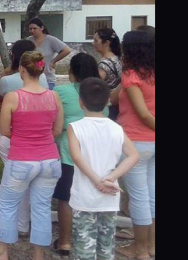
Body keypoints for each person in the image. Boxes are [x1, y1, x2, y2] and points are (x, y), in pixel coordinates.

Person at [0, 51, 64, 260]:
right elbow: (57, 130)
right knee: (42, 207)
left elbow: (5, 129)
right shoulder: (53, 96)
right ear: (41, 69)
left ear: (22, 70)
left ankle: (1, 252)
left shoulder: (13, 97)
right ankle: (38, 255)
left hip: (22, 159)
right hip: (50, 160)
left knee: (8, 204)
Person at [68, 77, 140, 260]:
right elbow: (133, 155)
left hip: (85, 196)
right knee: (106, 246)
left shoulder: (75, 127)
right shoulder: (116, 128)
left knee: (84, 247)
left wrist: (96, 180)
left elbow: (76, 157)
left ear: (80, 102)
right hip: (110, 196)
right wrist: (110, 178)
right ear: (108, 101)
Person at [0, 40, 49, 237]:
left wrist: (5, 74)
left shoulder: (8, 81)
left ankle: (17, 226)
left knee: (13, 185)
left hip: (12, 137)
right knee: (35, 188)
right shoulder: (45, 81)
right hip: (38, 137)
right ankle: (26, 226)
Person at [50, 53, 105, 256]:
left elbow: (56, 122)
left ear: (72, 71)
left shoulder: (61, 91)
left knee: (66, 198)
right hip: (97, 155)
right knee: (92, 196)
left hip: (68, 153)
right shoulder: (102, 91)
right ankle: (89, 239)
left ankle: (65, 242)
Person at [111, 30, 155, 260]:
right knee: (152, 196)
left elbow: (143, 114)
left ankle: (140, 250)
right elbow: (115, 97)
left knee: (139, 198)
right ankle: (151, 246)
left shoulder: (132, 75)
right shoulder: (151, 74)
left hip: (135, 142)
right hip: (153, 144)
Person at [26, 17, 72, 90]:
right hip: (32, 78)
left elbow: (67, 50)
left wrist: (54, 61)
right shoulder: (28, 40)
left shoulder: (51, 40)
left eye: (34, 28)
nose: (32, 31)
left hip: (48, 78)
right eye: (30, 29)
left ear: (42, 28)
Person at [93, 28, 122, 121]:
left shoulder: (103, 65)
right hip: (120, 104)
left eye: (96, 40)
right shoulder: (119, 59)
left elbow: (95, 87)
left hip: (108, 106)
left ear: (106, 43)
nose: (93, 43)